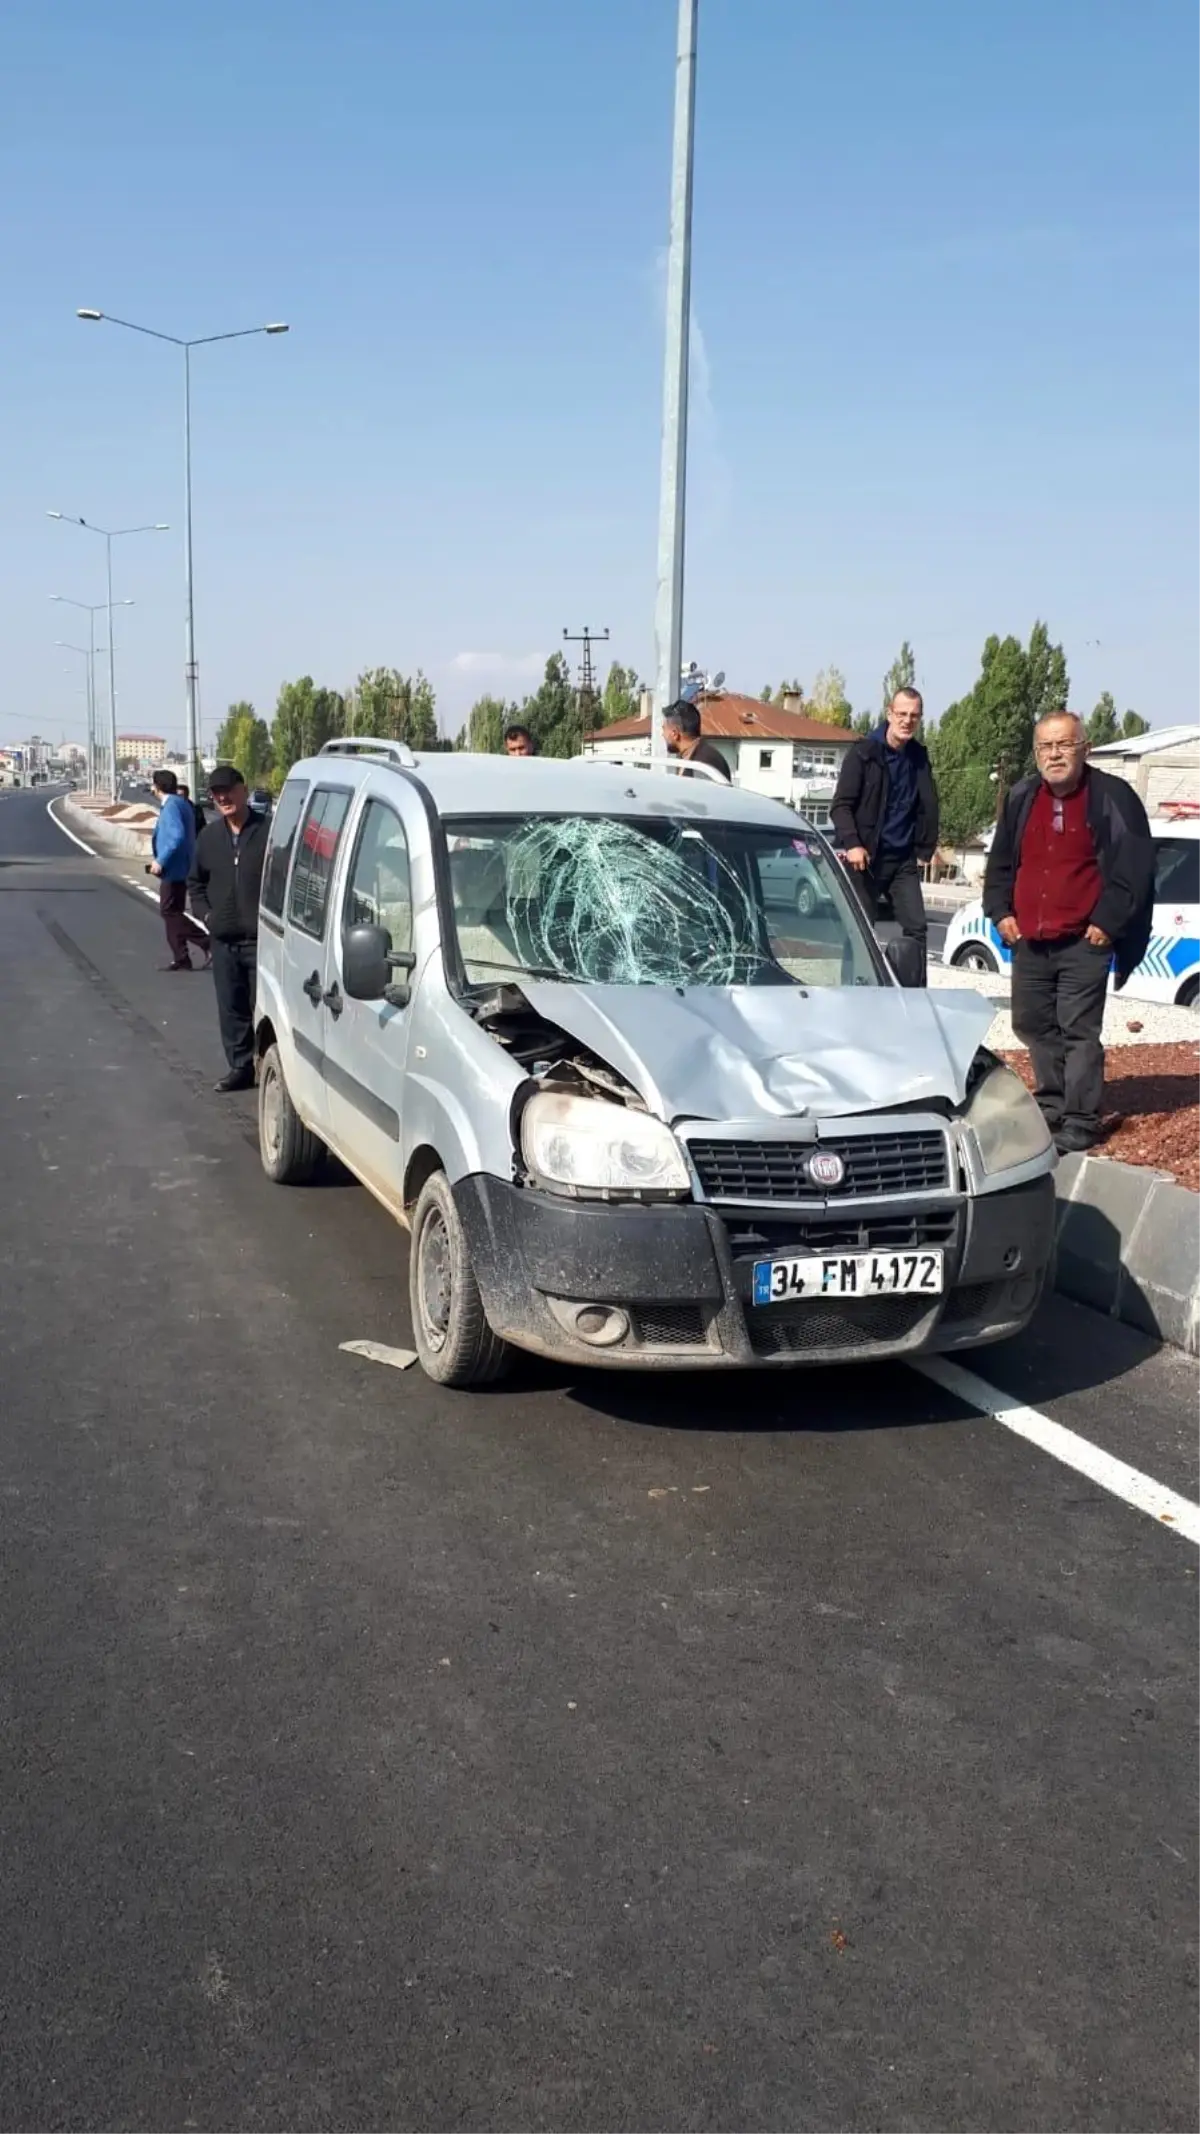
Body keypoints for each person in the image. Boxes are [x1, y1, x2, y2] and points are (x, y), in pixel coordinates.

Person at [983, 709, 1154, 1154]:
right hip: (1030, 940)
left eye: (1064, 744)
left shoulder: (1112, 797)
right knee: (1034, 1025)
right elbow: (1002, 861)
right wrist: (999, 910)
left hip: (1084, 940)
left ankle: (1081, 1118)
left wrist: (1107, 924)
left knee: (1077, 1030)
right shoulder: (1022, 797)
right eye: (1045, 746)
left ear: (1085, 748)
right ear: (1036, 752)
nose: (1054, 754)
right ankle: (1052, 1107)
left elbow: (1134, 868)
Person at [830, 686, 938, 979]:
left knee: (917, 927)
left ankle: (915, 995)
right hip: (865, 858)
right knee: (861, 928)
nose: (907, 721)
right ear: (889, 713)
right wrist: (852, 843)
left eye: (914, 716)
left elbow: (927, 803)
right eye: (902, 714)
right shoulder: (864, 752)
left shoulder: (918, 757)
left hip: (902, 859)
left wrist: (925, 847)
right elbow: (840, 807)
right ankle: (854, 991)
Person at [189, 764, 271, 1093]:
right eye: (216, 793)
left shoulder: (269, 832)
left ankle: (269, 1068)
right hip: (224, 941)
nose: (223, 798)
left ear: (244, 790)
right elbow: (195, 883)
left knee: (263, 1008)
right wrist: (207, 916)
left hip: (262, 941)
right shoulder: (209, 837)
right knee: (231, 1008)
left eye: (228, 790)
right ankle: (240, 1067)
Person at [149, 770, 210, 972]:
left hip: (175, 868)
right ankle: (181, 957)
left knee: (169, 911)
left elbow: (176, 836)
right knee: (172, 912)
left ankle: (207, 943)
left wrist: (161, 860)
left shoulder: (172, 806)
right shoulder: (180, 803)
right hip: (182, 866)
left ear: (157, 787)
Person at [662, 699, 732, 780]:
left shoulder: (704, 763)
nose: (663, 734)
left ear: (674, 734)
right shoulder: (692, 755)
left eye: (664, 729)